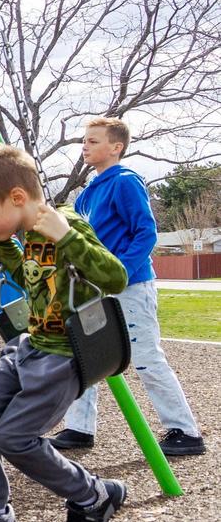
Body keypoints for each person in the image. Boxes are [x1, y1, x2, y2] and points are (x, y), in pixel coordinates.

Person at [0, 145, 129, 522]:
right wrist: (1, 245)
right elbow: (33, 279)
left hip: (62, 357)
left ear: (16, 198)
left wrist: (66, 237)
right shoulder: (27, 234)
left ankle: (92, 497)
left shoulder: (63, 225)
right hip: (30, 345)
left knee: (14, 437)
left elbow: (116, 277)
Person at [49, 118, 205, 456]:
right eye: (85, 141)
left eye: (92, 141)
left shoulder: (125, 182)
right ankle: (79, 428)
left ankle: (185, 432)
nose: (84, 146)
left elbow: (145, 233)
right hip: (95, 288)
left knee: (146, 356)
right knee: (87, 355)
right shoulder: (89, 192)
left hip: (130, 285)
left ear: (115, 147)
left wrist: (117, 272)